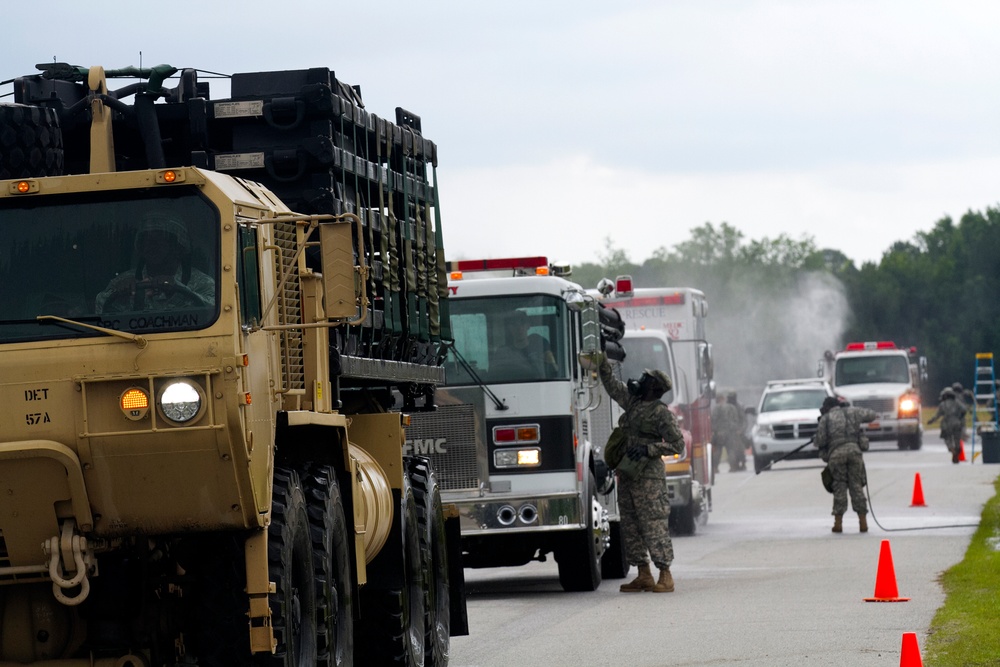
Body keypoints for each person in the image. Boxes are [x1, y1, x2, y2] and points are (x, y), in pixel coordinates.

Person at [587, 351, 684, 593]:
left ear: (654, 387)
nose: (640, 381)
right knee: (630, 524)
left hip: (649, 477)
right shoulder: (633, 402)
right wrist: (603, 366)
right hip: (628, 474)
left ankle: (665, 574)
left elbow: (677, 445)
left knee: (653, 523)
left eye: (646, 379)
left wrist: (650, 448)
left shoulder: (662, 414)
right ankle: (643, 574)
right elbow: (612, 387)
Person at [96, 212, 215, 314]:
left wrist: (179, 290)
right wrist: (119, 293)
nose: (151, 245)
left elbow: (216, 312)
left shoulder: (202, 283)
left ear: (178, 246)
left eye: (160, 239)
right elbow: (100, 309)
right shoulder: (124, 281)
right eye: (145, 240)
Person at [814, 396, 877, 533]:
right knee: (856, 485)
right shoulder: (853, 412)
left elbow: (820, 441)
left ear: (827, 408)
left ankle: (838, 523)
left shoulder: (826, 418)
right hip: (855, 452)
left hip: (836, 455)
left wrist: (818, 435)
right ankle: (863, 522)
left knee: (839, 486)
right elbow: (872, 415)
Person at [497, 310, 558, 376]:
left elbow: (555, 371)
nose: (519, 328)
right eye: (514, 325)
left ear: (528, 325)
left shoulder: (541, 348)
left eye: (522, 323)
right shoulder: (503, 354)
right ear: (509, 328)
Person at [929, 387, 968, 464]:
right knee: (957, 439)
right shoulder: (957, 402)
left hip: (946, 424)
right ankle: (957, 450)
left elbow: (937, 415)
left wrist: (931, 421)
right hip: (957, 422)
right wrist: (960, 417)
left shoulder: (942, 404)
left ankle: (951, 449)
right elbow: (964, 410)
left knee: (947, 439)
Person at [711, 392, 745, 473]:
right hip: (731, 433)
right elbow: (736, 419)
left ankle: (715, 468)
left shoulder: (716, 408)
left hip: (720, 433)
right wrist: (736, 430)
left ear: (719, 399)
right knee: (731, 450)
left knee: (718, 451)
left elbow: (713, 420)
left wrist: (715, 430)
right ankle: (733, 467)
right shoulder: (732, 407)